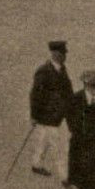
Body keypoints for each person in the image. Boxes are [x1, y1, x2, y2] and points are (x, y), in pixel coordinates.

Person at [28, 41, 75, 181]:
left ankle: (36, 164)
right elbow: (35, 94)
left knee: (43, 140)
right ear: (55, 54)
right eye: (62, 54)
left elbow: (68, 89)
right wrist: (34, 115)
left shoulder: (61, 69)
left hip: (57, 114)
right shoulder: (44, 71)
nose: (65, 56)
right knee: (59, 146)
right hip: (47, 114)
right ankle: (65, 176)